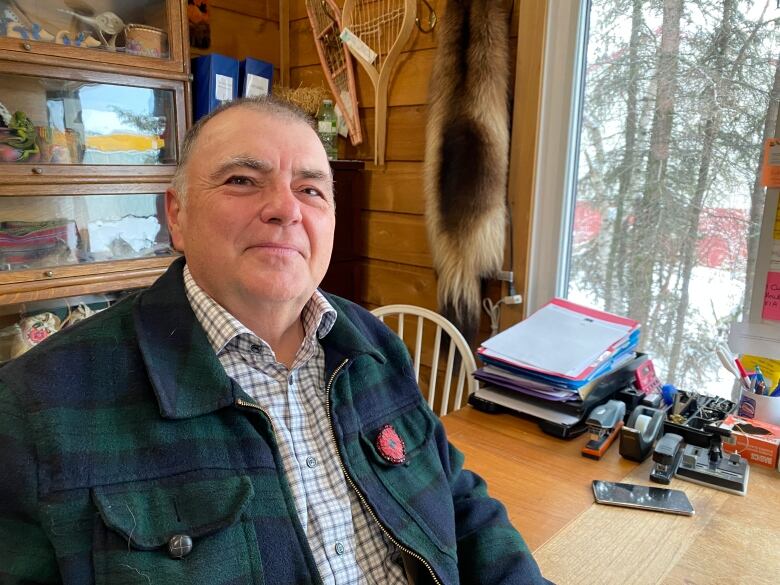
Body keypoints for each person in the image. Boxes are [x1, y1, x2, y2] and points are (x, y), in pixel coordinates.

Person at [0, 97, 551, 584]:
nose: (286, 208)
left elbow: (457, 501)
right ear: (177, 215)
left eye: (311, 189)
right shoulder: (36, 408)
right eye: (242, 180)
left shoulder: (375, 346)